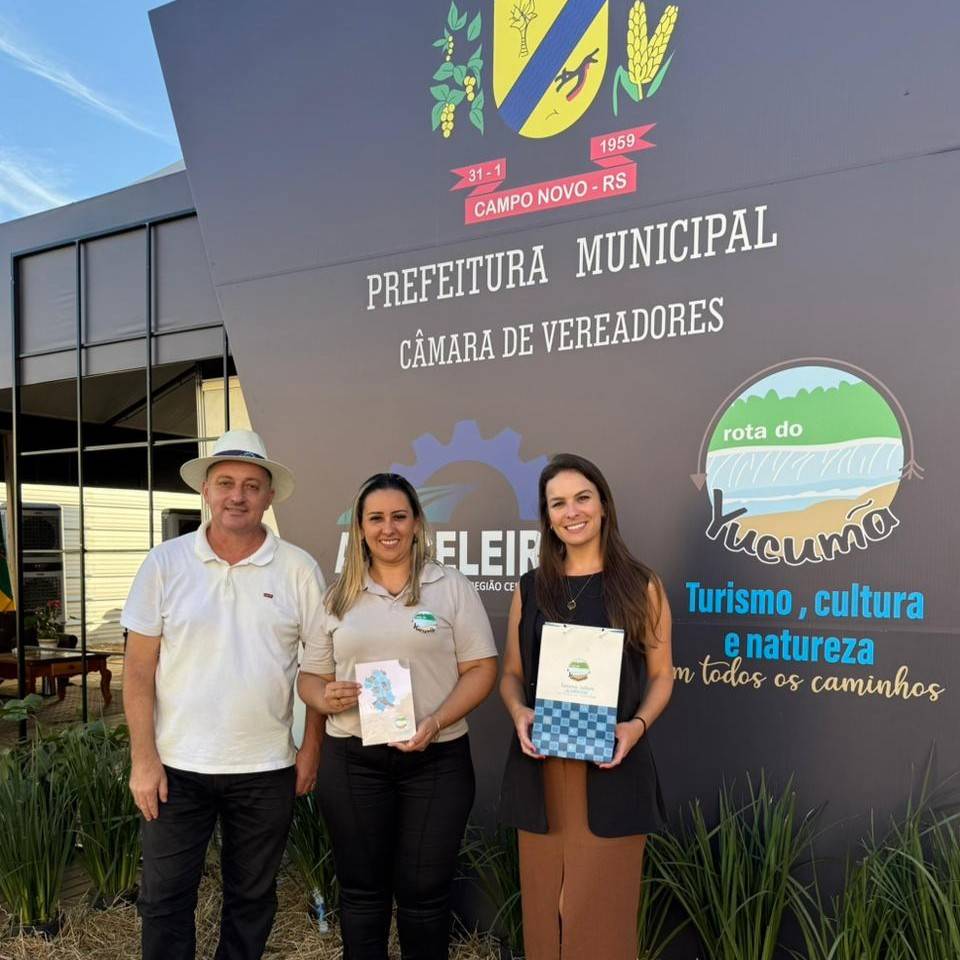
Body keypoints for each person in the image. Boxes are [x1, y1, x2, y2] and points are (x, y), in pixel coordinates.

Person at [122, 429, 327, 960]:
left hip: (266, 767)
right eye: (226, 483)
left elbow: (319, 668)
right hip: (176, 768)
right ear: (206, 491)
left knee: (251, 900)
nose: (238, 495)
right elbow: (138, 672)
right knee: (164, 900)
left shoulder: (299, 569)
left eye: (252, 486)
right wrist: (143, 759)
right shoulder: (164, 564)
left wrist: (310, 749)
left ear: (269, 496)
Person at [298, 472, 498, 960]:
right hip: (353, 761)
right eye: (376, 518)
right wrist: (325, 697)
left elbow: (481, 669)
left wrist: (435, 721)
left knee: (425, 895)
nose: (388, 528)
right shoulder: (337, 596)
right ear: (360, 528)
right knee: (361, 892)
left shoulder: (450, 587)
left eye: (398, 516)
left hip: (437, 759)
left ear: (416, 523)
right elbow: (309, 679)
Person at [498, 453, 674, 960]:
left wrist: (635, 727)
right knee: (546, 914)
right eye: (558, 503)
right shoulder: (531, 588)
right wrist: (518, 712)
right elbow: (511, 675)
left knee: (597, 916)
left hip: (611, 771)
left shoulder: (640, 585)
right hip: (541, 769)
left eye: (582, 498)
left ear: (603, 505)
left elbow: (662, 676)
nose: (571, 511)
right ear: (547, 515)